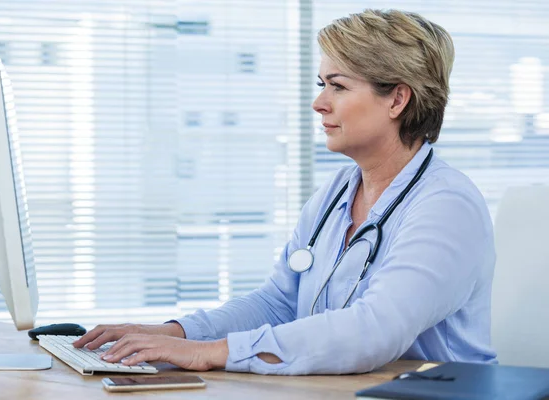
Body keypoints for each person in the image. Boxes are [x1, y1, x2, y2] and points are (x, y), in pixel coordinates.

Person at [73, 9, 497, 375]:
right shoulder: (338, 192)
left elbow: (375, 331)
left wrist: (210, 353)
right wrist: (175, 333)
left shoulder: (446, 206)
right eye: (321, 84)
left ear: (397, 99)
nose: (319, 103)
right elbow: (278, 303)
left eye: (338, 85)